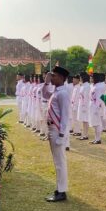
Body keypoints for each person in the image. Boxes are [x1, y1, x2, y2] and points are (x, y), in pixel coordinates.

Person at [44, 66, 72, 202]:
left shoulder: (63, 93)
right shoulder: (56, 91)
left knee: (60, 161)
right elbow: (43, 94)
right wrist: (46, 82)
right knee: (58, 161)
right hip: (52, 129)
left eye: (54, 76)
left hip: (56, 130)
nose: (52, 77)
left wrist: (62, 135)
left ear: (61, 78)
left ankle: (61, 191)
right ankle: (60, 188)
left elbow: (66, 116)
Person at [88, 73, 106, 144]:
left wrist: (97, 108)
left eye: (91, 78)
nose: (90, 79)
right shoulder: (94, 86)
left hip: (96, 106)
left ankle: (98, 139)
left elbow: (99, 99)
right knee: (94, 123)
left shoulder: (98, 87)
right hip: (92, 105)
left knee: (97, 123)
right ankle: (96, 138)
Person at [77, 72, 91, 140]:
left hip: (85, 105)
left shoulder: (87, 86)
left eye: (81, 77)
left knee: (85, 120)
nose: (80, 78)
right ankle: (84, 134)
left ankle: (86, 135)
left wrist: (84, 106)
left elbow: (86, 97)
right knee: (83, 120)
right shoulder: (83, 85)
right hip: (81, 104)